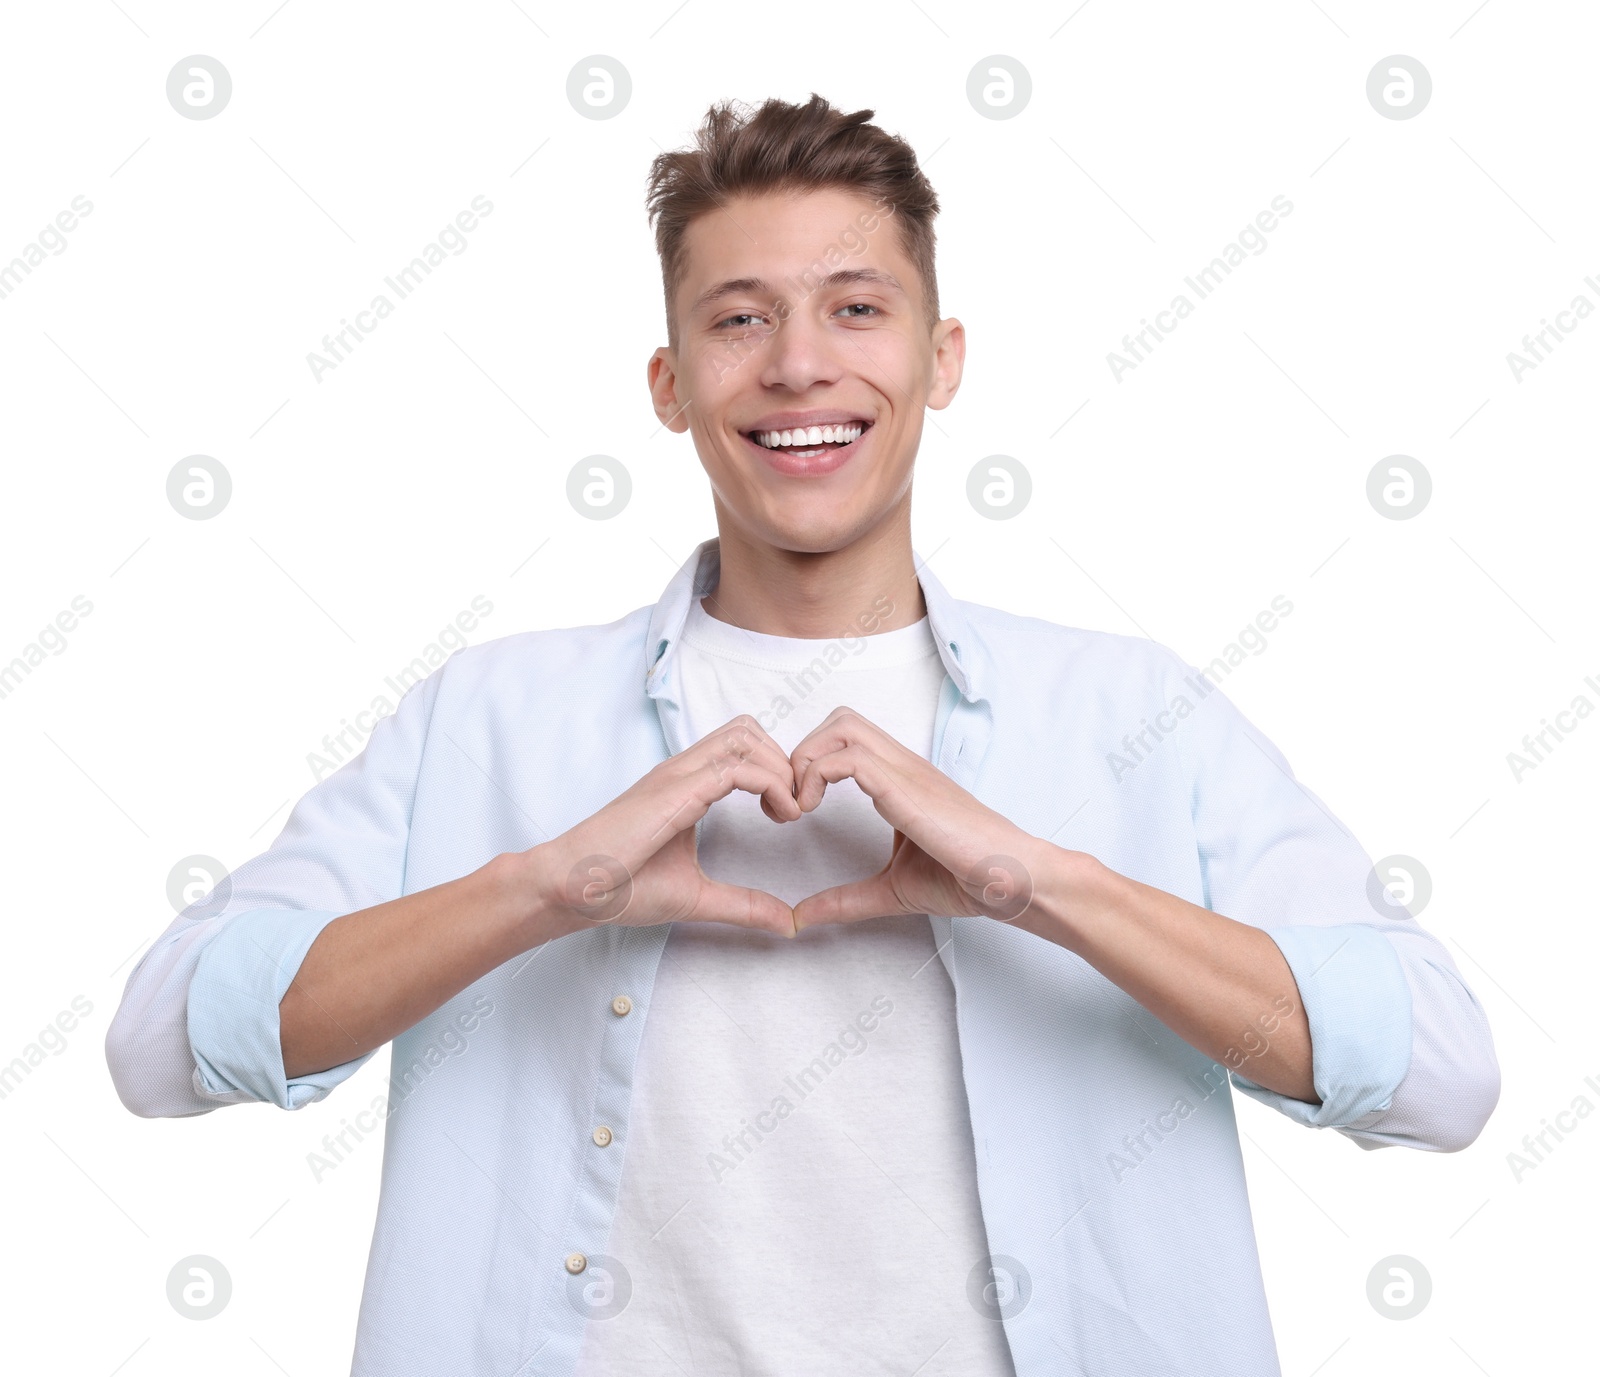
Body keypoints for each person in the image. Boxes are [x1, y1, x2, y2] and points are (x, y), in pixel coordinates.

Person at [106, 94, 1500, 1376]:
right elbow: (164, 1040)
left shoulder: (1135, 715)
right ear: (667, 383)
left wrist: (1041, 883)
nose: (799, 365)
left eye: (855, 307)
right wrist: (543, 889)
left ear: (940, 357)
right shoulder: (488, 717)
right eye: (739, 320)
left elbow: (1439, 1073)